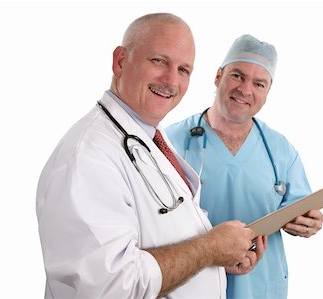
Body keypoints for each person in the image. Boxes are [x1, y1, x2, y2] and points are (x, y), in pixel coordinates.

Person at [36, 14, 266, 299]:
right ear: (120, 61)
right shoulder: (88, 157)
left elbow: (161, 239)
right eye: (159, 61)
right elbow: (115, 287)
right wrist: (210, 248)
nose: (171, 80)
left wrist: (218, 261)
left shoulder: (147, 136)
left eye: (184, 70)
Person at [165, 34, 323, 299]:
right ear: (218, 76)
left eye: (259, 83)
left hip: (260, 286)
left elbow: (301, 208)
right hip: (191, 284)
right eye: (237, 76)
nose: (245, 90)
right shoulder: (171, 141)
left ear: (267, 92)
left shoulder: (280, 150)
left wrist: (309, 224)